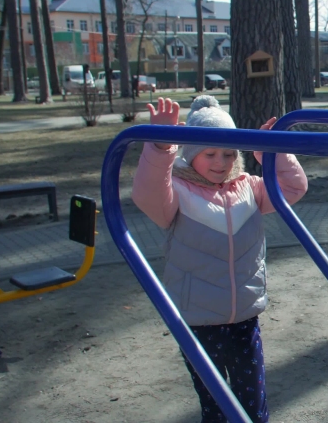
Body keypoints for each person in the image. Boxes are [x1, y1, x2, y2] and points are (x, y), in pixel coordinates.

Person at [131, 95, 309, 422]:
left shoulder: (250, 188)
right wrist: (159, 147)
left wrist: (275, 154)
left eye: (228, 153)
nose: (220, 162)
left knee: (253, 403)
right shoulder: (176, 192)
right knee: (215, 405)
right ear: (190, 154)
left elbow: (293, 188)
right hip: (198, 322)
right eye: (209, 153)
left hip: (244, 317)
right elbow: (147, 194)